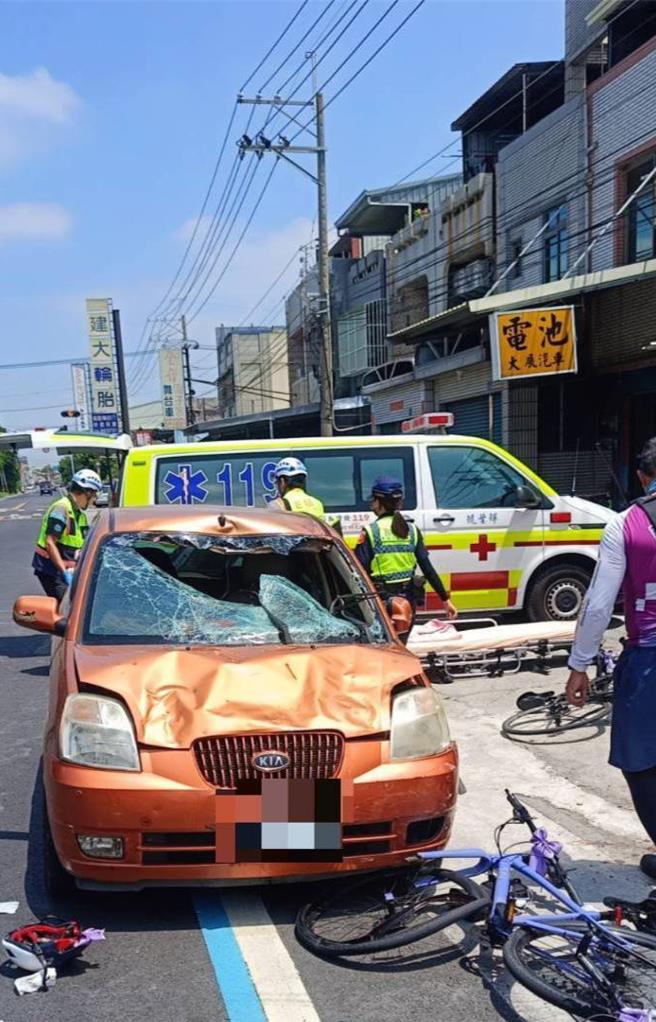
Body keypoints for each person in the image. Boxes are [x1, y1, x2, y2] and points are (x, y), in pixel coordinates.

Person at [566, 436, 656, 879]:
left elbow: (599, 604)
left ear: (641, 476)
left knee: (639, 762)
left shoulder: (626, 524)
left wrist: (579, 665)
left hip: (648, 661)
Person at [355, 475, 458, 628]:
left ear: (379, 502)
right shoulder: (412, 530)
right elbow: (428, 569)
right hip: (408, 600)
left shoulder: (371, 531)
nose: (371, 504)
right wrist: (445, 599)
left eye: (373, 500)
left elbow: (358, 570)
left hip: (381, 601)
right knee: (403, 638)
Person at [32, 469, 102, 601]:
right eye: (94, 496)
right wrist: (64, 572)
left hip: (69, 571)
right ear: (87, 492)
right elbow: (50, 542)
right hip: (53, 571)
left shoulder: (78, 514)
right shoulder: (62, 508)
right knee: (68, 606)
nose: (94, 501)